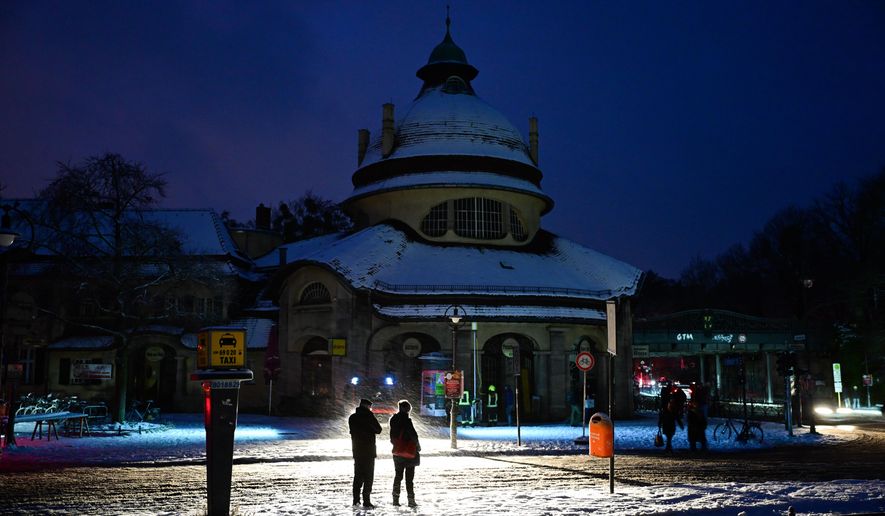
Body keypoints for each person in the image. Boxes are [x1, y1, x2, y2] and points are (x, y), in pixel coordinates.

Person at [349, 398, 382, 508]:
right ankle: (366, 501)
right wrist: (370, 416)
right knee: (368, 477)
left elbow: (353, 431)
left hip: (357, 451)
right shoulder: (369, 417)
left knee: (358, 476)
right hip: (368, 451)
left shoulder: (352, 418)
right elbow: (378, 430)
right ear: (367, 406)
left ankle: (356, 500)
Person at [388, 399, 421, 508]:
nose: (409, 411)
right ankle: (411, 500)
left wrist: (397, 444)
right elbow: (413, 436)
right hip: (409, 452)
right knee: (409, 479)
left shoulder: (393, 419)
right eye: (408, 409)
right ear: (405, 409)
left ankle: (395, 499)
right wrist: (418, 446)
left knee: (398, 476)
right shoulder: (406, 420)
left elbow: (392, 436)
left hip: (397, 452)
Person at [658, 382, 686, 452]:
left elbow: (663, 408)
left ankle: (668, 446)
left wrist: (660, 421)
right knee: (669, 433)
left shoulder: (666, 395)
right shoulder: (671, 395)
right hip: (669, 417)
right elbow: (676, 414)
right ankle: (668, 446)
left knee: (668, 433)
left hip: (667, 417)